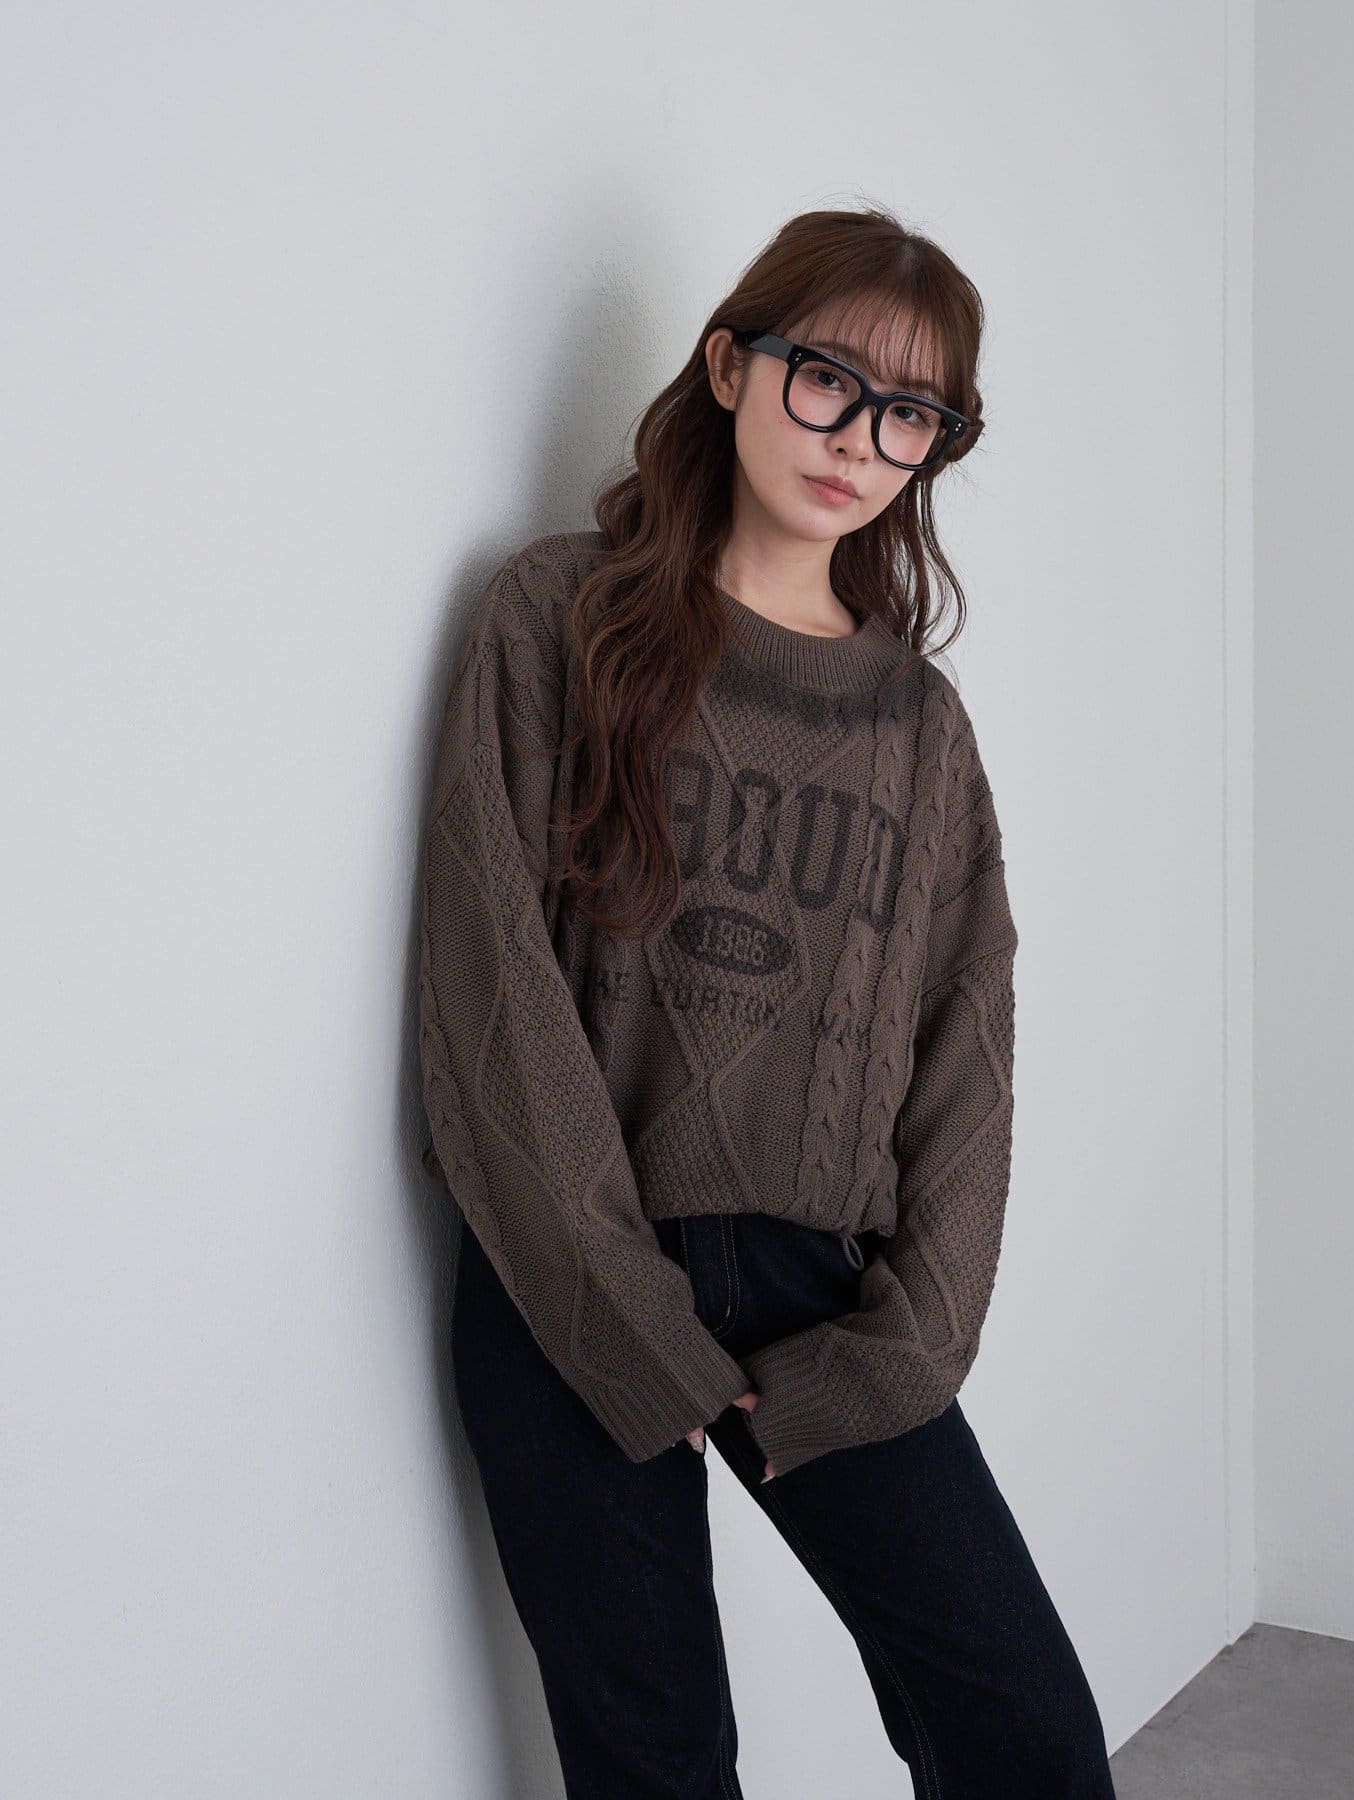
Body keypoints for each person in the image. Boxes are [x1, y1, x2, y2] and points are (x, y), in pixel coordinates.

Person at [418, 204, 1116, 1798]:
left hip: (823, 1285)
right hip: (562, 1278)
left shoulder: (918, 729)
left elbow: (967, 1054)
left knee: (1027, 1735)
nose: (861, 438)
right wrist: (619, 1313)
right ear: (731, 366)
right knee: (656, 1765)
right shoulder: (557, 619)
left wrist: (914, 1347)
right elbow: (489, 986)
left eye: (913, 413)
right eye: (828, 379)